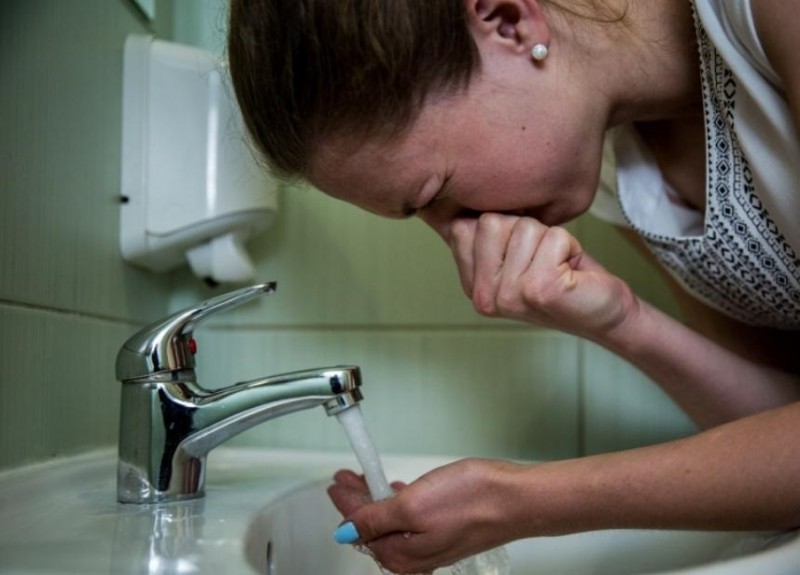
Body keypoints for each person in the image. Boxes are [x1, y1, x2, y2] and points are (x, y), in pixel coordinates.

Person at [227, 0, 800, 572]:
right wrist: (625, 323)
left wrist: (521, 501)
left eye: (433, 195)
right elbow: (770, 434)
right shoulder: (607, 163)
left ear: (508, 21)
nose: (463, 241)